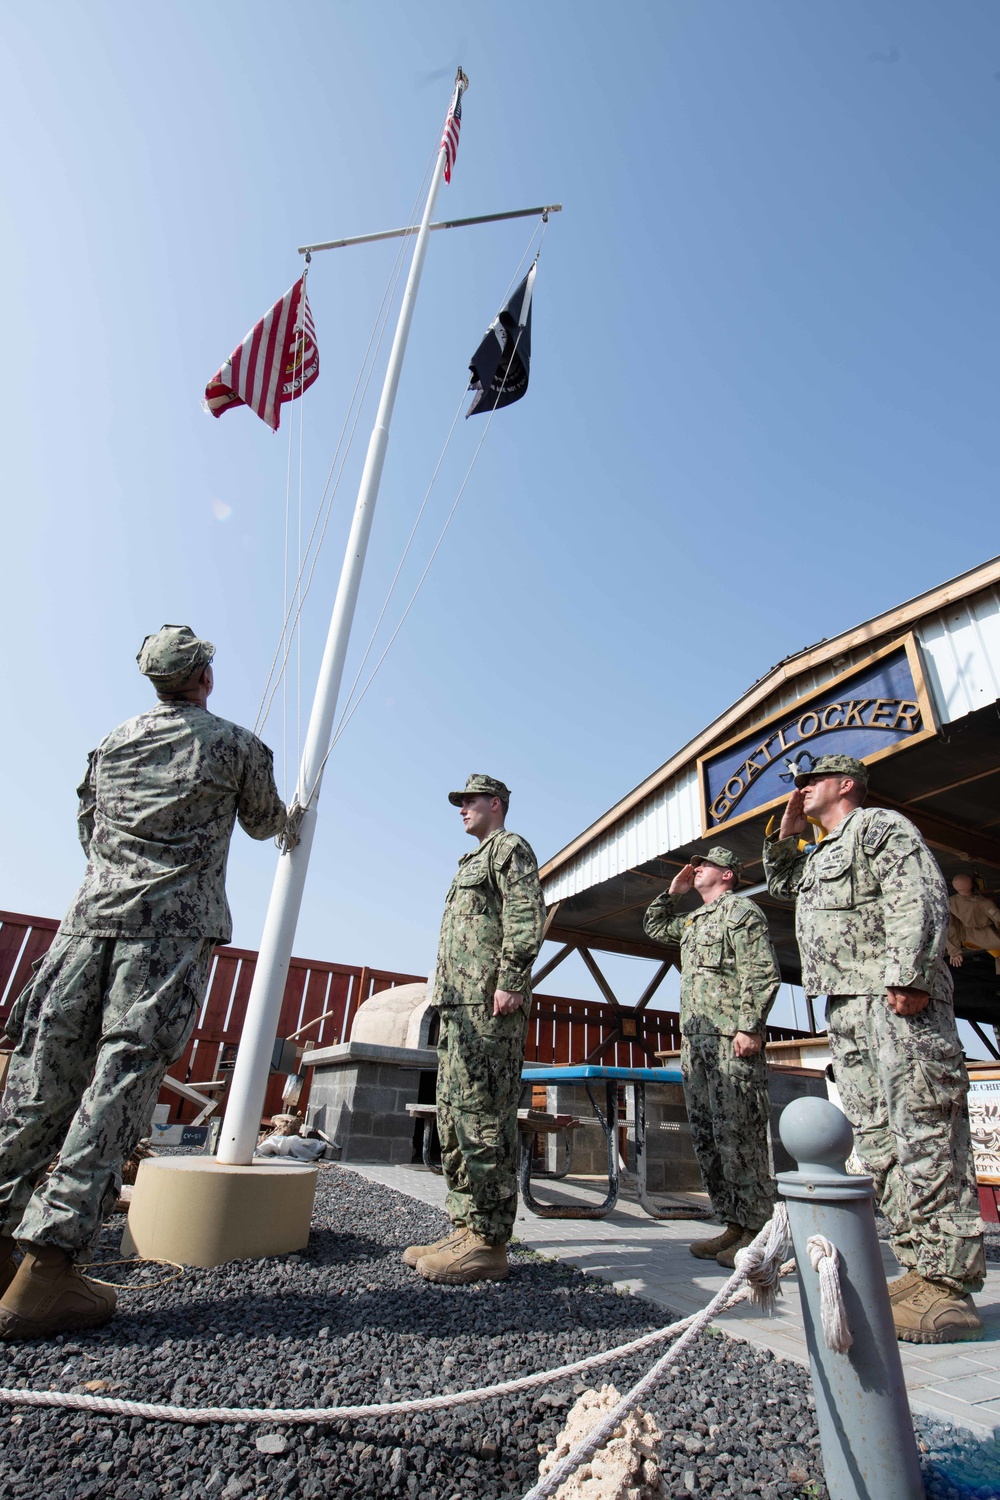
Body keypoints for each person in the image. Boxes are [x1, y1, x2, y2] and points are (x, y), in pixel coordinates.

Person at [0, 626, 289, 1340]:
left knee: (42, 1084)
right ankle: (47, 1271)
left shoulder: (110, 744)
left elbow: (88, 829)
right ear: (204, 679)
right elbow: (265, 823)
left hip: (84, 928)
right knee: (120, 1084)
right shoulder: (235, 746)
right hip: (164, 937)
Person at [764, 753, 985, 1343]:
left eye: (810, 782)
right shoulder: (823, 853)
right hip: (849, 1005)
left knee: (924, 1130)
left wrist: (909, 974)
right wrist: (787, 827)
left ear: (845, 784)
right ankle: (917, 1266)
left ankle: (948, 1287)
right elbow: (786, 881)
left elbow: (918, 896)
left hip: (895, 999)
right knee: (879, 1138)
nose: (801, 790)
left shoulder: (881, 828)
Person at [403, 774, 545, 1285]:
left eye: (469, 801)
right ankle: (465, 1226)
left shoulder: (510, 849)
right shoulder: (472, 860)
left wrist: (510, 979)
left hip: (490, 1007)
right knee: (453, 1117)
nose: (461, 809)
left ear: (496, 804)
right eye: (459, 802)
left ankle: (489, 1240)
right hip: (458, 1007)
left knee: (483, 1118)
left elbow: (527, 916)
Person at [643, 847, 781, 1267]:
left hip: (729, 1040)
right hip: (696, 1044)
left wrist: (749, 1026)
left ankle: (759, 1228)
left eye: (705, 864)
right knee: (708, 1137)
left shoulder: (741, 912)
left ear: (728, 874)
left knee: (739, 1133)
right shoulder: (694, 921)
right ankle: (734, 1224)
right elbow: (654, 927)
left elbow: (761, 971)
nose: (696, 867)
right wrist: (672, 891)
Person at [947, 873, 1000, 976]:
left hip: (965, 936)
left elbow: (950, 927)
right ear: (971, 884)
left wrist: (954, 951)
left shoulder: (950, 902)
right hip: (985, 936)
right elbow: (998, 919)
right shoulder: (983, 903)